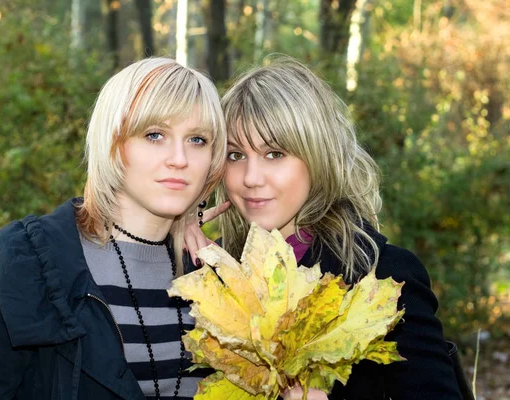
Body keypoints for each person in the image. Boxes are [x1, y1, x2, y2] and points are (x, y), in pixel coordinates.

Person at [0, 57, 228, 400]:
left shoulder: (223, 278)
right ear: (113, 143)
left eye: (197, 140)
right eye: (154, 135)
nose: (179, 158)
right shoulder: (27, 263)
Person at [185, 57, 463, 399]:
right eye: (235, 155)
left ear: (316, 156)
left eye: (274, 153)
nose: (251, 179)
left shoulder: (382, 278)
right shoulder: (215, 277)